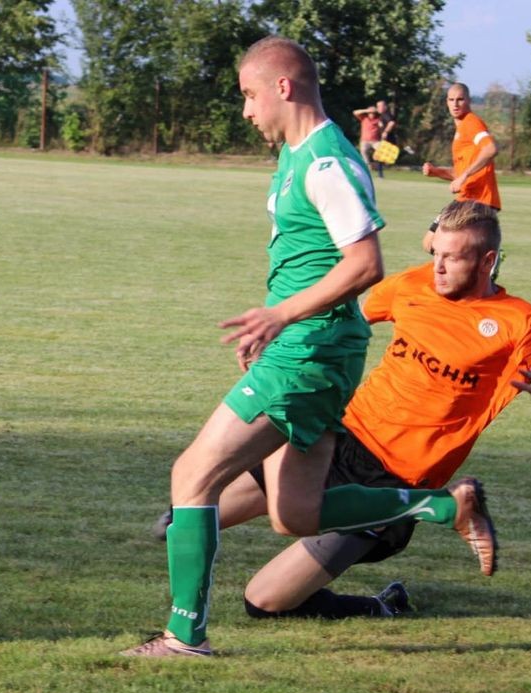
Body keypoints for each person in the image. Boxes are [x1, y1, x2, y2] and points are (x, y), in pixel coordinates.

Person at [156, 201, 531, 622]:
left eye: (451, 258)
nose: (437, 267)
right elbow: (346, 322)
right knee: (180, 515)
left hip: (394, 481)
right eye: (435, 253)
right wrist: (285, 335)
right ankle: (185, 618)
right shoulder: (413, 285)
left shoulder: (519, 322)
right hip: (339, 440)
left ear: (486, 260)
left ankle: (385, 603)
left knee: (264, 602)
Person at [122, 36, 388, 658]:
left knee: (192, 474)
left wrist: (280, 317)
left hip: (311, 349)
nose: (245, 111)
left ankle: (184, 636)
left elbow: (366, 264)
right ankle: (438, 504)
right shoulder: (296, 157)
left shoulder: (327, 162)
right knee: (294, 513)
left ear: (283, 88)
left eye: (248, 95)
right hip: (302, 346)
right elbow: (308, 260)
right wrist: (270, 326)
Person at [421, 83, 500, 253]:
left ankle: (489, 262)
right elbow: (459, 174)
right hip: (467, 196)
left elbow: (491, 148)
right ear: (446, 102)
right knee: (432, 243)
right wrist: (436, 172)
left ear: (469, 101)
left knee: (438, 243)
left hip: (478, 199)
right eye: (451, 100)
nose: (455, 104)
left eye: (460, 99)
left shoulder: (471, 122)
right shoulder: (461, 128)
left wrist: (464, 176)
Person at [354, 104, 383, 178]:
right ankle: (368, 166)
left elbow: (381, 125)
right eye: (370, 113)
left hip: (375, 141)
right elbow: (355, 112)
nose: (372, 114)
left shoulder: (378, 119)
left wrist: (381, 125)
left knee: (381, 151)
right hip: (365, 141)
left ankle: (377, 167)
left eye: (373, 113)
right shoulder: (364, 118)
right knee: (363, 151)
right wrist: (367, 110)